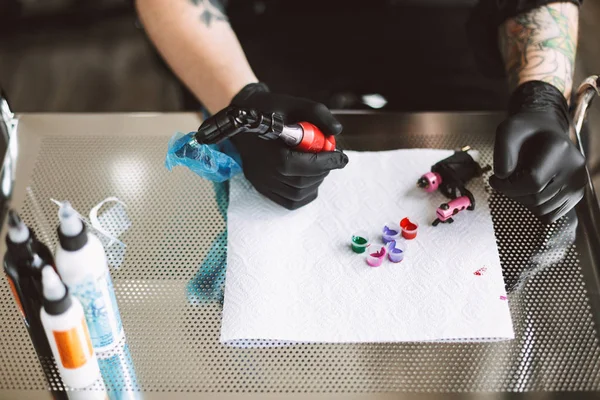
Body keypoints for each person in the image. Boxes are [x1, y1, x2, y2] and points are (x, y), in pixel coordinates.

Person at [136, 0, 586, 223]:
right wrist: (242, 96)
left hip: (452, 24)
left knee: (511, 178)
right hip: (269, 30)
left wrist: (542, 100)